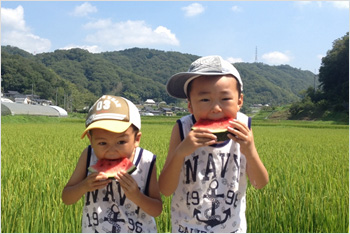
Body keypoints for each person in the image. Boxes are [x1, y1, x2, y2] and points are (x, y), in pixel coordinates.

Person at [159, 55, 269, 233]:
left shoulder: (243, 127)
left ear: (240, 101)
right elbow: (165, 189)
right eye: (204, 99)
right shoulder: (183, 128)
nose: (216, 108)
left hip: (232, 229)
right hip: (186, 228)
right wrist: (181, 152)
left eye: (225, 99)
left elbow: (260, 183)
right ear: (190, 105)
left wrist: (249, 150)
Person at [62, 95, 162, 233]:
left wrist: (137, 196)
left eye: (121, 142)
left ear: (137, 139)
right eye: (102, 143)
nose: (111, 151)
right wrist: (83, 186)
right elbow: (66, 197)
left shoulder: (146, 160)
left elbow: (157, 209)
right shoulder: (88, 156)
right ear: (90, 139)